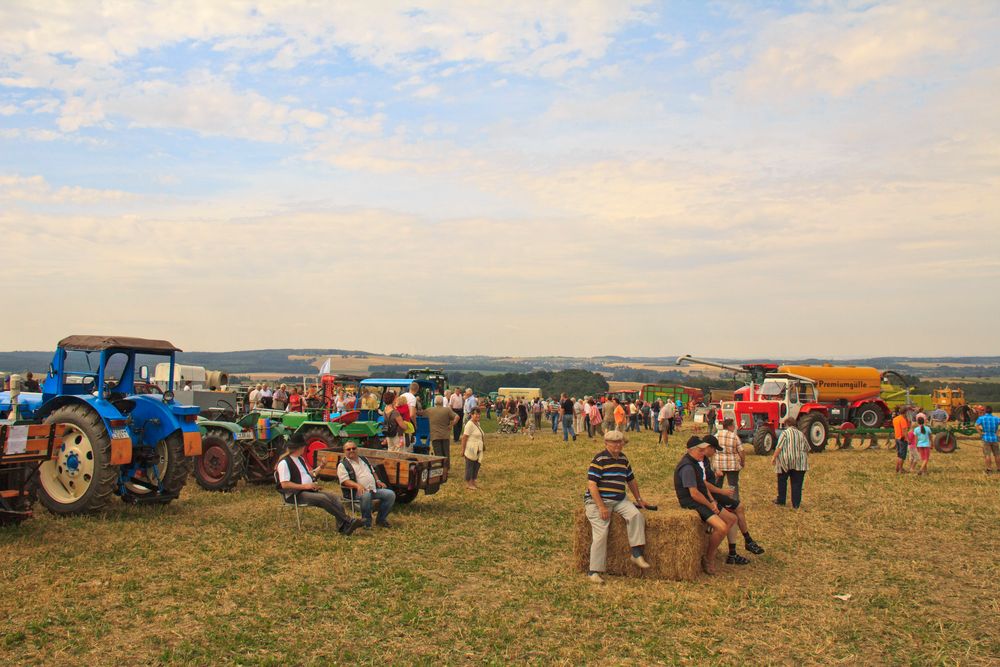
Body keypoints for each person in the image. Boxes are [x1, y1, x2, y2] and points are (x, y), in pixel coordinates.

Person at [583, 430, 652, 583]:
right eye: (614, 442)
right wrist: (601, 507)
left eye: (620, 442)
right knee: (601, 532)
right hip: (597, 501)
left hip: (620, 500)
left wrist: (639, 499)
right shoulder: (599, 459)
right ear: (606, 443)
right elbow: (592, 485)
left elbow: (631, 480)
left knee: (636, 516)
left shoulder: (623, 459)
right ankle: (593, 571)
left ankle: (636, 553)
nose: (617, 445)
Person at [674, 436, 735, 575]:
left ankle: (709, 544)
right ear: (692, 450)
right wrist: (709, 504)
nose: (704, 453)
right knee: (721, 527)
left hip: (703, 500)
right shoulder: (688, 467)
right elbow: (694, 493)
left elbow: (702, 486)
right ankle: (708, 558)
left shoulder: (696, 462)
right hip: (692, 503)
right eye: (701, 450)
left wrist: (712, 501)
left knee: (731, 519)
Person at [275, 433, 359, 535]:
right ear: (299, 447)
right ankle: (348, 521)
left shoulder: (300, 459)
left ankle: (343, 527)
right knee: (322, 499)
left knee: (335, 498)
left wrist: (321, 466)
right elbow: (284, 484)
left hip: (307, 490)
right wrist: (305, 486)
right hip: (295, 495)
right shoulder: (284, 463)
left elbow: (309, 474)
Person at [702, 435, 765, 564]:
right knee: (733, 516)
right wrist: (722, 491)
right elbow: (701, 484)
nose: (715, 453)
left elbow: (704, 479)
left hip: (712, 494)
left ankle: (745, 543)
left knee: (738, 509)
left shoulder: (705, 460)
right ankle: (739, 547)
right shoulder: (699, 460)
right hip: (709, 496)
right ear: (708, 447)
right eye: (714, 450)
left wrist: (715, 474)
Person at [337, 442, 396, 528]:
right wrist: (358, 486)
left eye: (354, 448)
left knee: (390, 494)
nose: (352, 450)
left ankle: (381, 519)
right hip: (355, 492)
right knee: (366, 495)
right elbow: (344, 481)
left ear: (357, 449)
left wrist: (378, 480)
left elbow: (373, 471)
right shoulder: (342, 465)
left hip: (373, 489)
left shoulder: (363, 459)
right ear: (344, 451)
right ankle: (366, 522)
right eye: (348, 449)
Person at [772, 417, 809, 508]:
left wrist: (774, 457)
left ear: (787, 424)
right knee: (797, 483)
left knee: (782, 480)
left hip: (786, 462)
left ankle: (781, 500)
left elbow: (779, 447)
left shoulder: (785, 433)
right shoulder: (801, 434)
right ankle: (796, 504)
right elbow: (807, 448)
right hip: (800, 463)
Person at [713, 419, 744, 499]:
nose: (734, 427)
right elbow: (741, 451)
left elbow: (711, 449)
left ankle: (716, 500)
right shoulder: (734, 436)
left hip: (719, 464)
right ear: (729, 426)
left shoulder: (716, 436)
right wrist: (742, 462)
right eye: (733, 425)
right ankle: (734, 502)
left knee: (717, 485)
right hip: (732, 465)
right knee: (733, 485)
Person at [461, 408, 485, 490]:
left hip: (478, 448)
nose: (478, 416)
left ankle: (473, 481)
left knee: (476, 465)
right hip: (471, 448)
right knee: (470, 465)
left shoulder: (478, 423)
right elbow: (464, 438)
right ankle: (469, 483)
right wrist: (463, 450)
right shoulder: (469, 424)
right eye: (476, 414)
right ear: (471, 415)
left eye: (479, 414)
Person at [975, 406, 1000, 474]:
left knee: (987, 455)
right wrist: (998, 432)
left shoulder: (981, 418)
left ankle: (989, 470)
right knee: (997, 455)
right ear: (992, 411)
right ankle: (998, 469)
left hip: (986, 438)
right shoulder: (996, 418)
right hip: (994, 438)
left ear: (985, 411)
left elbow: (976, 425)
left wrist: (981, 433)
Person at [892, 407, 910, 474]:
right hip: (902, 439)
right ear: (905, 412)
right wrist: (908, 439)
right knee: (902, 455)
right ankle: (900, 469)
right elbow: (904, 430)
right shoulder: (903, 420)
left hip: (897, 438)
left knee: (899, 454)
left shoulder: (895, 419)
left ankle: (897, 468)